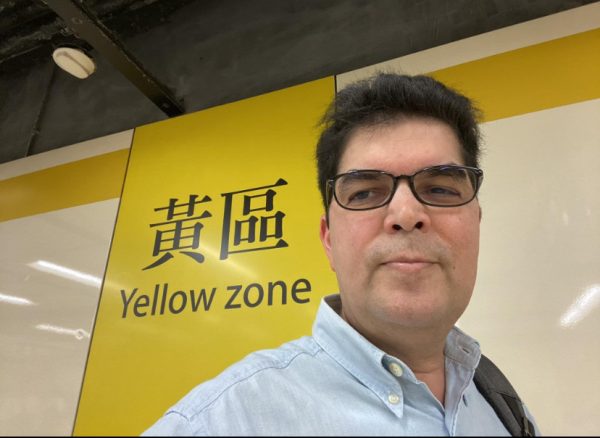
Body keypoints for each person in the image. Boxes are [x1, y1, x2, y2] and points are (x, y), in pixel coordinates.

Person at [143, 73, 538, 436]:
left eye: (440, 189)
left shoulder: (507, 410)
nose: (406, 214)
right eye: (364, 193)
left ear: (476, 224)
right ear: (328, 239)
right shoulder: (222, 422)